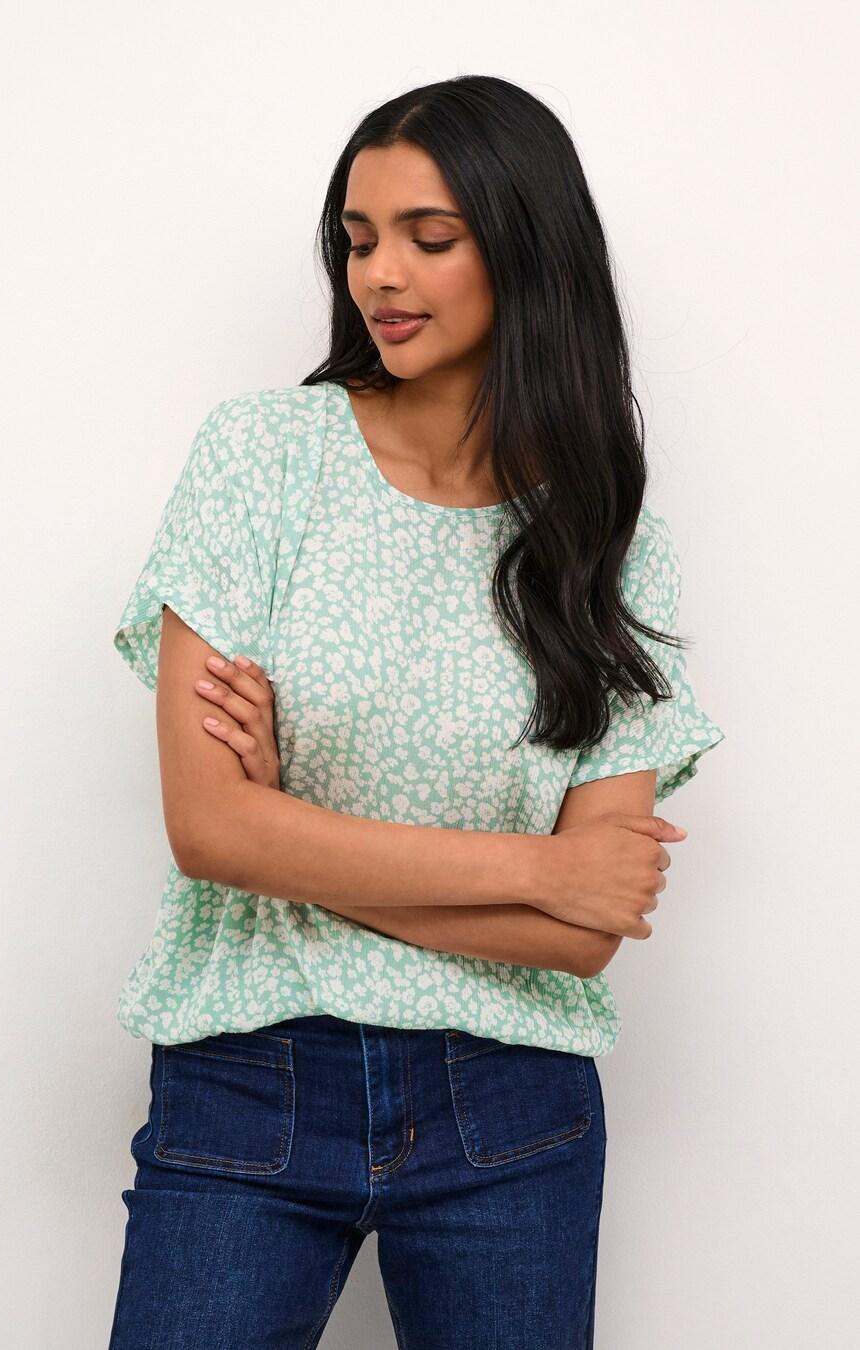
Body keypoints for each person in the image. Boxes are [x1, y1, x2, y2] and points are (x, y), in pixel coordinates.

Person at [107, 74, 725, 1350]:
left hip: (511, 1106)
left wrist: (291, 839)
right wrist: (539, 868)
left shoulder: (610, 545)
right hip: (251, 1074)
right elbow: (211, 833)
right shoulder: (262, 458)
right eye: (358, 238)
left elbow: (584, 938)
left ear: (527, 250)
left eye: (429, 238)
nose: (379, 274)